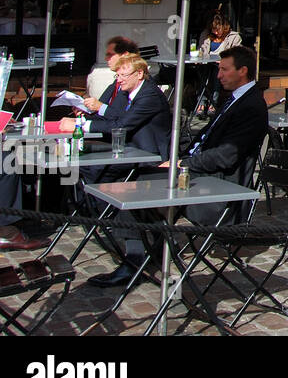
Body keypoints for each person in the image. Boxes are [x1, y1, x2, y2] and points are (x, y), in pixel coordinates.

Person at [88, 47, 268, 288]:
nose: (218, 76)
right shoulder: (235, 97)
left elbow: (226, 156)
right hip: (198, 169)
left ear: (243, 71)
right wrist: (182, 155)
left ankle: (135, 260)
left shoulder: (251, 106)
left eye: (224, 70)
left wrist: (182, 162)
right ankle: (148, 250)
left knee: (137, 185)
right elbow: (207, 139)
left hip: (217, 186)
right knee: (137, 176)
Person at [59, 53, 172, 160]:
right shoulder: (127, 91)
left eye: (123, 75)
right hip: (127, 146)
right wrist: (80, 120)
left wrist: (80, 127)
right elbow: (114, 116)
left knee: (88, 164)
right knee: (78, 155)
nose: (119, 80)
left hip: (147, 153)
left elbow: (121, 125)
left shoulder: (150, 95)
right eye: (117, 75)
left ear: (140, 74)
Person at [85, 35, 139, 103]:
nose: (106, 59)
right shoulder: (115, 83)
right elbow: (102, 105)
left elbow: (119, 111)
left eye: (110, 55)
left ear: (125, 55)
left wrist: (99, 107)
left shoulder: (134, 84)